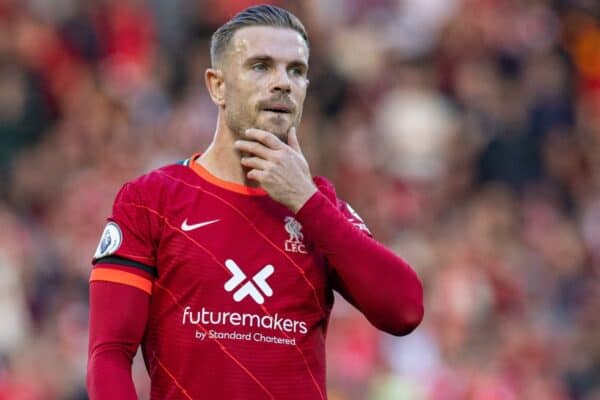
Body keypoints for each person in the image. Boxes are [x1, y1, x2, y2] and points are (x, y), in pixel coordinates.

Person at [86, 5, 423, 399]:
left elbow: (405, 310)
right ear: (217, 86)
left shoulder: (319, 206)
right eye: (261, 66)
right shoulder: (151, 200)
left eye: (296, 70)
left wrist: (306, 203)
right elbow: (109, 353)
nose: (282, 83)